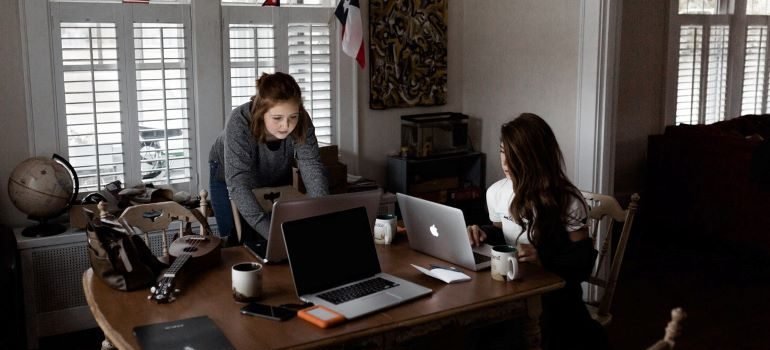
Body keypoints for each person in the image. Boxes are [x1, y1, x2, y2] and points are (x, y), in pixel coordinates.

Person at [467, 113, 608, 350]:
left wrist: (542, 258)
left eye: (514, 156)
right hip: (510, 289)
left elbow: (583, 263)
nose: (505, 163)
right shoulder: (495, 193)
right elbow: (503, 235)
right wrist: (480, 232)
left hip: (554, 298)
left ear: (534, 157)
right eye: (503, 152)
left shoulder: (567, 201)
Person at [209, 72, 329, 244]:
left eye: (292, 117)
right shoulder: (239, 122)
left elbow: (312, 166)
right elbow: (239, 184)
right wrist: (275, 236)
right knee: (234, 241)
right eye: (277, 118)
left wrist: (320, 216)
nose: (286, 126)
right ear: (261, 112)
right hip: (229, 174)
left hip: (274, 170)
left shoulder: (302, 120)